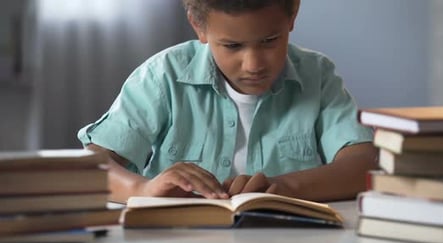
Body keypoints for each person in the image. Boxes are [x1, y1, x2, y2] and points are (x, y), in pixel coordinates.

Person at [77, 0, 378, 204]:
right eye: (233, 46)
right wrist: (143, 188)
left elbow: (363, 164)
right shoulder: (163, 76)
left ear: (293, 14)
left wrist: (285, 187)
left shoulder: (317, 76)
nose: (253, 64)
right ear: (199, 26)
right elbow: (91, 167)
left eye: (270, 41)